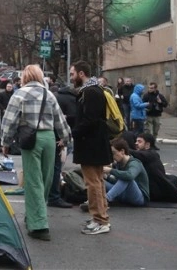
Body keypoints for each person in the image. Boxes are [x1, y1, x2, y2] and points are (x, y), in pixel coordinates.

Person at [1, 65, 72, 241]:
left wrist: (5, 142)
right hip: (49, 139)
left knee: (33, 181)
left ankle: (39, 225)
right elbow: (60, 120)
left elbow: (9, 121)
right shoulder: (49, 95)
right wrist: (66, 139)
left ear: (25, 77)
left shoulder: (19, 94)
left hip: (30, 138)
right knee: (46, 179)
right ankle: (34, 216)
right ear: (40, 77)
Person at [70, 60, 112, 235]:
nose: (71, 78)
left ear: (81, 74)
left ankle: (100, 220)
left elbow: (90, 120)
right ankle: (101, 217)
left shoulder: (90, 92)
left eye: (72, 74)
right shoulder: (94, 90)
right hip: (96, 143)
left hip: (91, 144)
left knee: (92, 183)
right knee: (98, 181)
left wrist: (73, 132)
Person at [47, 84, 77, 209]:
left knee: (47, 168)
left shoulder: (55, 97)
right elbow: (63, 120)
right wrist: (63, 139)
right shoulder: (72, 100)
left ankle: (49, 194)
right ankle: (54, 196)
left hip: (45, 136)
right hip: (58, 136)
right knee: (56, 166)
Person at [131, 133, 177, 203]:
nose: (136, 143)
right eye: (136, 141)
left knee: (174, 179)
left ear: (147, 145)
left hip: (153, 191)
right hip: (151, 186)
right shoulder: (147, 154)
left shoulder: (151, 154)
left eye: (139, 141)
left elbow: (138, 155)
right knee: (173, 179)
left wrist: (124, 149)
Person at [101, 138, 149, 207]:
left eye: (113, 153)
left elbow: (130, 176)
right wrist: (106, 177)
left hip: (139, 198)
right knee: (100, 180)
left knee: (126, 177)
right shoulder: (118, 163)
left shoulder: (135, 163)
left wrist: (110, 170)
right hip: (124, 194)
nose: (112, 157)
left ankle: (105, 200)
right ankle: (94, 201)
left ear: (122, 151)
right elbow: (118, 183)